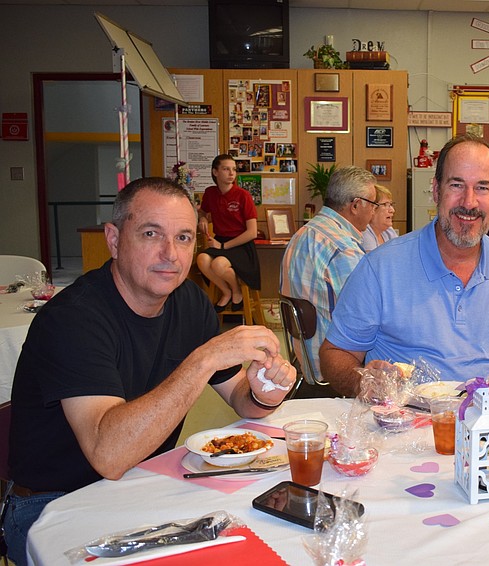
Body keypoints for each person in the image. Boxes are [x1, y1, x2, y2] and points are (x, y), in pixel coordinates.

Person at [4, 177, 296, 565]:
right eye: (150, 233)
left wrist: (263, 391)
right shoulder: (74, 319)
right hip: (52, 505)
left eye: (184, 238)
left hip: (143, 484)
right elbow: (109, 456)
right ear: (113, 239)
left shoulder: (188, 301)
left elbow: (241, 398)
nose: (170, 254)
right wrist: (205, 358)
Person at [319, 134, 489, 398]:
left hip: (487, 429)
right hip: (401, 427)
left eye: (482, 187)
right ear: (436, 190)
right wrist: (362, 382)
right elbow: (334, 355)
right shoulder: (379, 269)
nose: (469, 202)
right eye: (457, 185)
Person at [281, 166, 377, 386]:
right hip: (332, 368)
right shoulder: (343, 249)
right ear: (355, 205)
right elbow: (366, 314)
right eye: (372, 205)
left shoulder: (302, 233)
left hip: (302, 360)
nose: (373, 213)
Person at [196, 154, 260, 312]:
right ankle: (227, 291)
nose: (232, 173)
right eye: (226, 169)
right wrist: (203, 219)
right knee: (202, 259)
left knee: (218, 264)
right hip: (220, 241)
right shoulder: (210, 193)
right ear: (215, 172)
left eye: (234, 169)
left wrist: (223, 246)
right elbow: (203, 212)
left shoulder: (243, 195)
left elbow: (252, 232)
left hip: (242, 245)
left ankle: (237, 292)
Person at [362, 184, 398, 252]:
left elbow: (399, 253)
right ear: (372, 208)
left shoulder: (388, 230)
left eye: (390, 204)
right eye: (385, 204)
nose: (392, 210)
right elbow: (375, 261)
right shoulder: (365, 233)